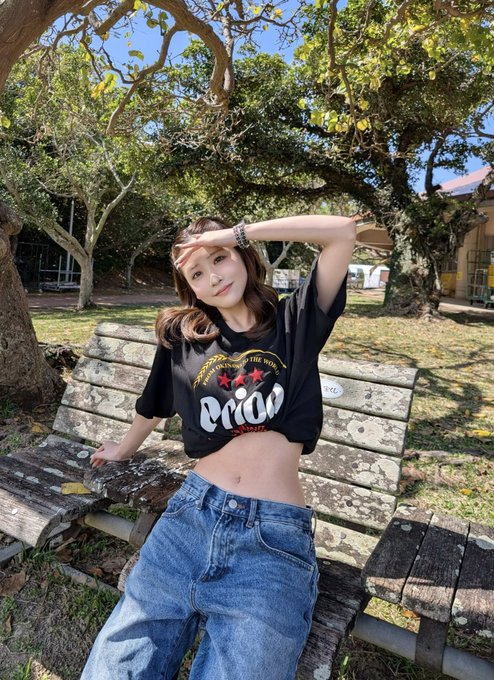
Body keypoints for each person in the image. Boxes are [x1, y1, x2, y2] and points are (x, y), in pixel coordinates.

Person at [80, 214, 356, 680]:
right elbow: (153, 404)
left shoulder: (296, 322)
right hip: (188, 519)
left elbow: (342, 233)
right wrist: (123, 449)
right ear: (189, 287)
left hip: (271, 541)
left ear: (242, 254)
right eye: (197, 273)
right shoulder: (183, 338)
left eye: (221, 258)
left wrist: (231, 234)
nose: (213, 277)